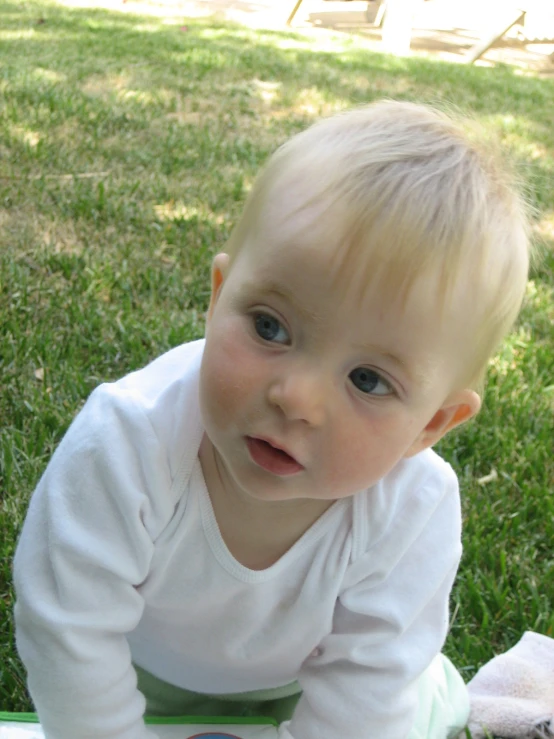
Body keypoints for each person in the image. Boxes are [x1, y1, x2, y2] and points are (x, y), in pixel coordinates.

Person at [13, 100, 530, 739]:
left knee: (412, 711)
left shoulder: (413, 507)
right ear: (217, 298)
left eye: (368, 380)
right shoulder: (128, 439)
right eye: (269, 326)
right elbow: (70, 628)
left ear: (432, 425)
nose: (298, 399)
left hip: (315, 687)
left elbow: (365, 697)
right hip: (142, 678)